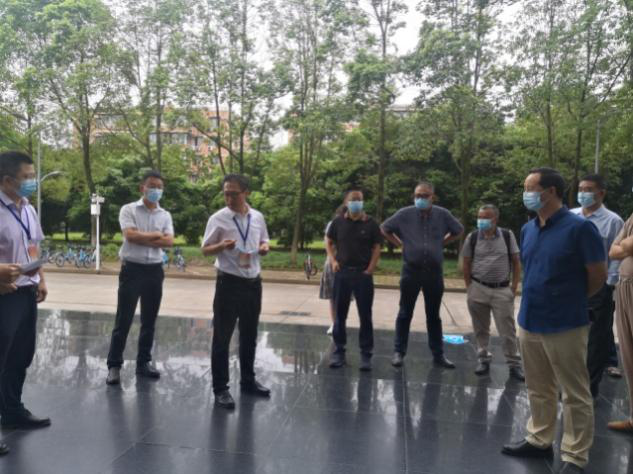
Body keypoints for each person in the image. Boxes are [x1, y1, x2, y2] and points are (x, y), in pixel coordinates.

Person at [502, 168, 607, 474]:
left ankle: (575, 455)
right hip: (529, 318)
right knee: (538, 385)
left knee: (574, 391)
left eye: (530, 188)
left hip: (565, 322)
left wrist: (569, 299)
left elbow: (597, 276)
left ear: (550, 192)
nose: (526, 194)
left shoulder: (580, 229)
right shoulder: (529, 228)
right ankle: (539, 438)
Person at [201, 174, 271, 409]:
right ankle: (221, 388)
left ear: (246, 193)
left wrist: (264, 247)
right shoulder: (218, 219)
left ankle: (248, 381)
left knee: (249, 335)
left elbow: (264, 240)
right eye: (226, 194)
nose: (229, 198)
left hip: (253, 283)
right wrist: (221, 246)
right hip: (228, 283)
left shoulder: (257, 217)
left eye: (234, 194)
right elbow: (205, 250)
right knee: (222, 337)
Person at [381, 181, 463, 369]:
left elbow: (458, 230)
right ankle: (398, 352)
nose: (420, 199)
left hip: (434, 273)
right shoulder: (404, 214)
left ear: (432, 197)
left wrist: (442, 242)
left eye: (425, 195)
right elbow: (384, 228)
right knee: (404, 313)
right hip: (411, 271)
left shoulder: (443, 214)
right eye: (417, 195)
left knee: (433, 315)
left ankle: (438, 354)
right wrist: (400, 244)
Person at [0, 151, 51, 444]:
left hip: (26, 293)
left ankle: (12, 411)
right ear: (8, 180)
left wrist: (40, 279)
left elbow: (33, 247)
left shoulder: (28, 208)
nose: (33, 181)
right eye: (27, 177)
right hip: (3, 294)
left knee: (20, 355)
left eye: (33, 176)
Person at [106, 170, 174, 385]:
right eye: (152, 186)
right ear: (142, 188)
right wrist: (155, 235)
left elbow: (169, 242)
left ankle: (143, 363)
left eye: (159, 187)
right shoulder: (128, 209)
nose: (156, 190)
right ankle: (114, 366)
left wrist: (143, 237)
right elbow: (130, 236)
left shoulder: (165, 215)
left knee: (149, 320)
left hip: (155, 271)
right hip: (132, 270)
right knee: (123, 319)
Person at [570, 174, 624, 398]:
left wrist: (608, 284)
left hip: (599, 287)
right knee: (570, 336)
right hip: (571, 286)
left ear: (601, 193)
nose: (583, 193)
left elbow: (616, 255)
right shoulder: (570, 216)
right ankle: (570, 384)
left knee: (596, 339)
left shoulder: (613, 221)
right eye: (581, 189)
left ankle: (589, 389)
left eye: (588, 189)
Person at [460, 204, 524, 381]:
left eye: (486, 218)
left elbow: (516, 262)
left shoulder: (507, 235)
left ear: (495, 219)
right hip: (478, 288)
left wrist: (513, 287)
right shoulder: (473, 237)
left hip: (502, 290)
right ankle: (483, 359)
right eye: (480, 217)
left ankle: (514, 364)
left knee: (507, 330)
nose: (481, 221)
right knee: (480, 329)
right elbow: (466, 262)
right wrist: (469, 287)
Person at [326, 188, 383, 371]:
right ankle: (339, 352)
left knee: (365, 315)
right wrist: (333, 260)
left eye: (359, 199)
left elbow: (377, 246)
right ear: (346, 202)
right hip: (342, 273)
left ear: (363, 202)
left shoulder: (371, 224)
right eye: (353, 199)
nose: (356, 202)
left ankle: (366, 355)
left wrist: (371, 267)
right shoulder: (338, 222)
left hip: (363, 275)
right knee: (340, 315)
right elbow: (328, 240)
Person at [606, 208, 633, 433]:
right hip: (624, 285)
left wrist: (624, 246)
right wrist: (624, 246)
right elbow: (613, 251)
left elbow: (624, 246)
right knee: (628, 355)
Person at [319, 205, 347, 336]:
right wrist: (333, 260)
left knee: (343, 297)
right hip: (333, 263)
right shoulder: (333, 224)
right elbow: (327, 243)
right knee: (333, 296)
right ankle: (334, 323)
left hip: (348, 265)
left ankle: (340, 322)